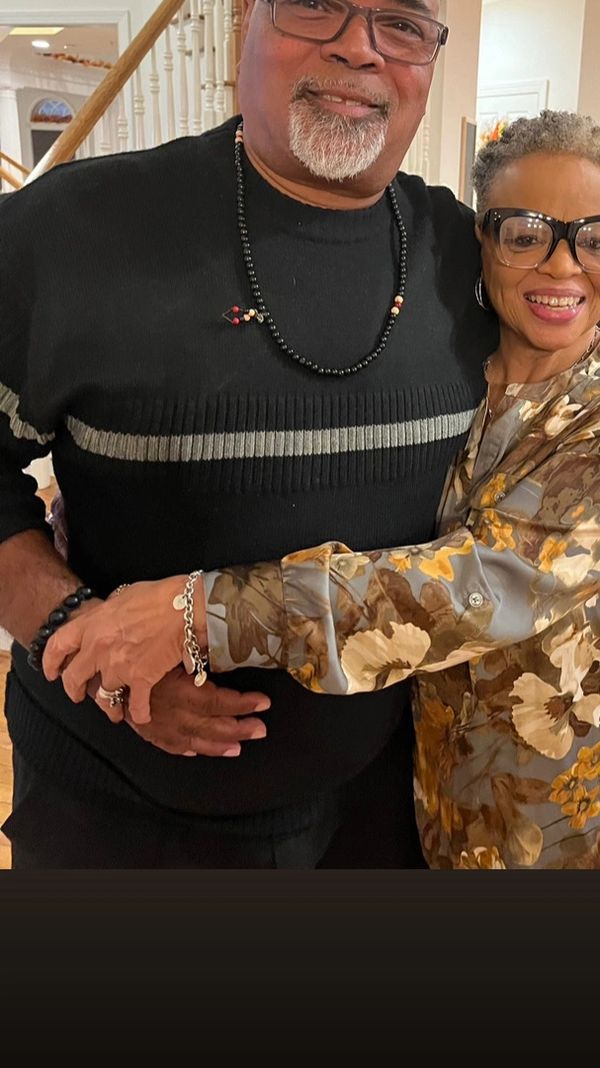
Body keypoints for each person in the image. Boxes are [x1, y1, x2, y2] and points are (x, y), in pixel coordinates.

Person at [0, 0, 497, 868]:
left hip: (395, 807)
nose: (359, 46)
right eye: (316, 4)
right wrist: (76, 632)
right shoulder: (70, 230)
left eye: (402, 23)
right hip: (124, 815)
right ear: (245, 26)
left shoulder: (470, 256)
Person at [48, 110, 600, 869]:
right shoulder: (450, 366)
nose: (563, 266)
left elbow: (478, 587)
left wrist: (203, 612)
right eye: (526, 233)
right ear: (483, 239)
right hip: (419, 798)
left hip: (554, 825)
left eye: (595, 238)